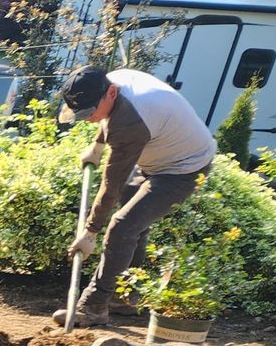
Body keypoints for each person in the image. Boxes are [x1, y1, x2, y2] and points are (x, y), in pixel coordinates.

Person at [52, 65, 217, 327]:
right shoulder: (112, 82)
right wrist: (96, 147)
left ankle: (94, 306)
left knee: (122, 226)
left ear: (111, 93)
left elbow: (112, 182)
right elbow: (109, 118)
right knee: (132, 226)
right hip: (153, 157)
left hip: (184, 168)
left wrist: (90, 232)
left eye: (90, 112)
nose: (88, 118)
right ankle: (126, 297)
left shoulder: (132, 121)